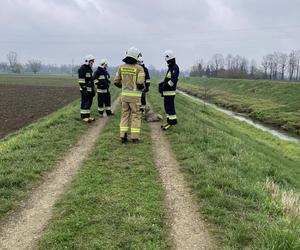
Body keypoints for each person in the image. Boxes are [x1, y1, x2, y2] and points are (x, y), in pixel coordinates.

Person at [114, 47, 145, 143]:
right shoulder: (139, 68)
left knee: (124, 116)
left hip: (124, 97)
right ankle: (135, 138)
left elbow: (116, 82)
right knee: (135, 116)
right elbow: (140, 84)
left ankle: (123, 137)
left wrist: (123, 87)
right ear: (136, 56)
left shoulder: (121, 67)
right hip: (135, 98)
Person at [159, 50, 180, 130]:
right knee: (167, 108)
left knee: (171, 109)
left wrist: (165, 86)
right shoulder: (171, 67)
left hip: (170, 93)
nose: (166, 62)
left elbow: (173, 80)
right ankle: (168, 122)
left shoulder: (175, 67)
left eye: (167, 60)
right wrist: (162, 85)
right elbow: (168, 79)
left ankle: (172, 123)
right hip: (167, 93)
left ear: (170, 59)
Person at [78, 54, 96, 122]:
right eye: (92, 61)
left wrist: (93, 89)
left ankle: (88, 116)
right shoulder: (82, 69)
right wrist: (84, 88)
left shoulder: (89, 69)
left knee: (89, 103)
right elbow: (81, 80)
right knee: (85, 102)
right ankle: (83, 117)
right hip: (84, 90)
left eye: (93, 61)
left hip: (90, 90)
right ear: (88, 61)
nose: (92, 63)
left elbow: (91, 80)